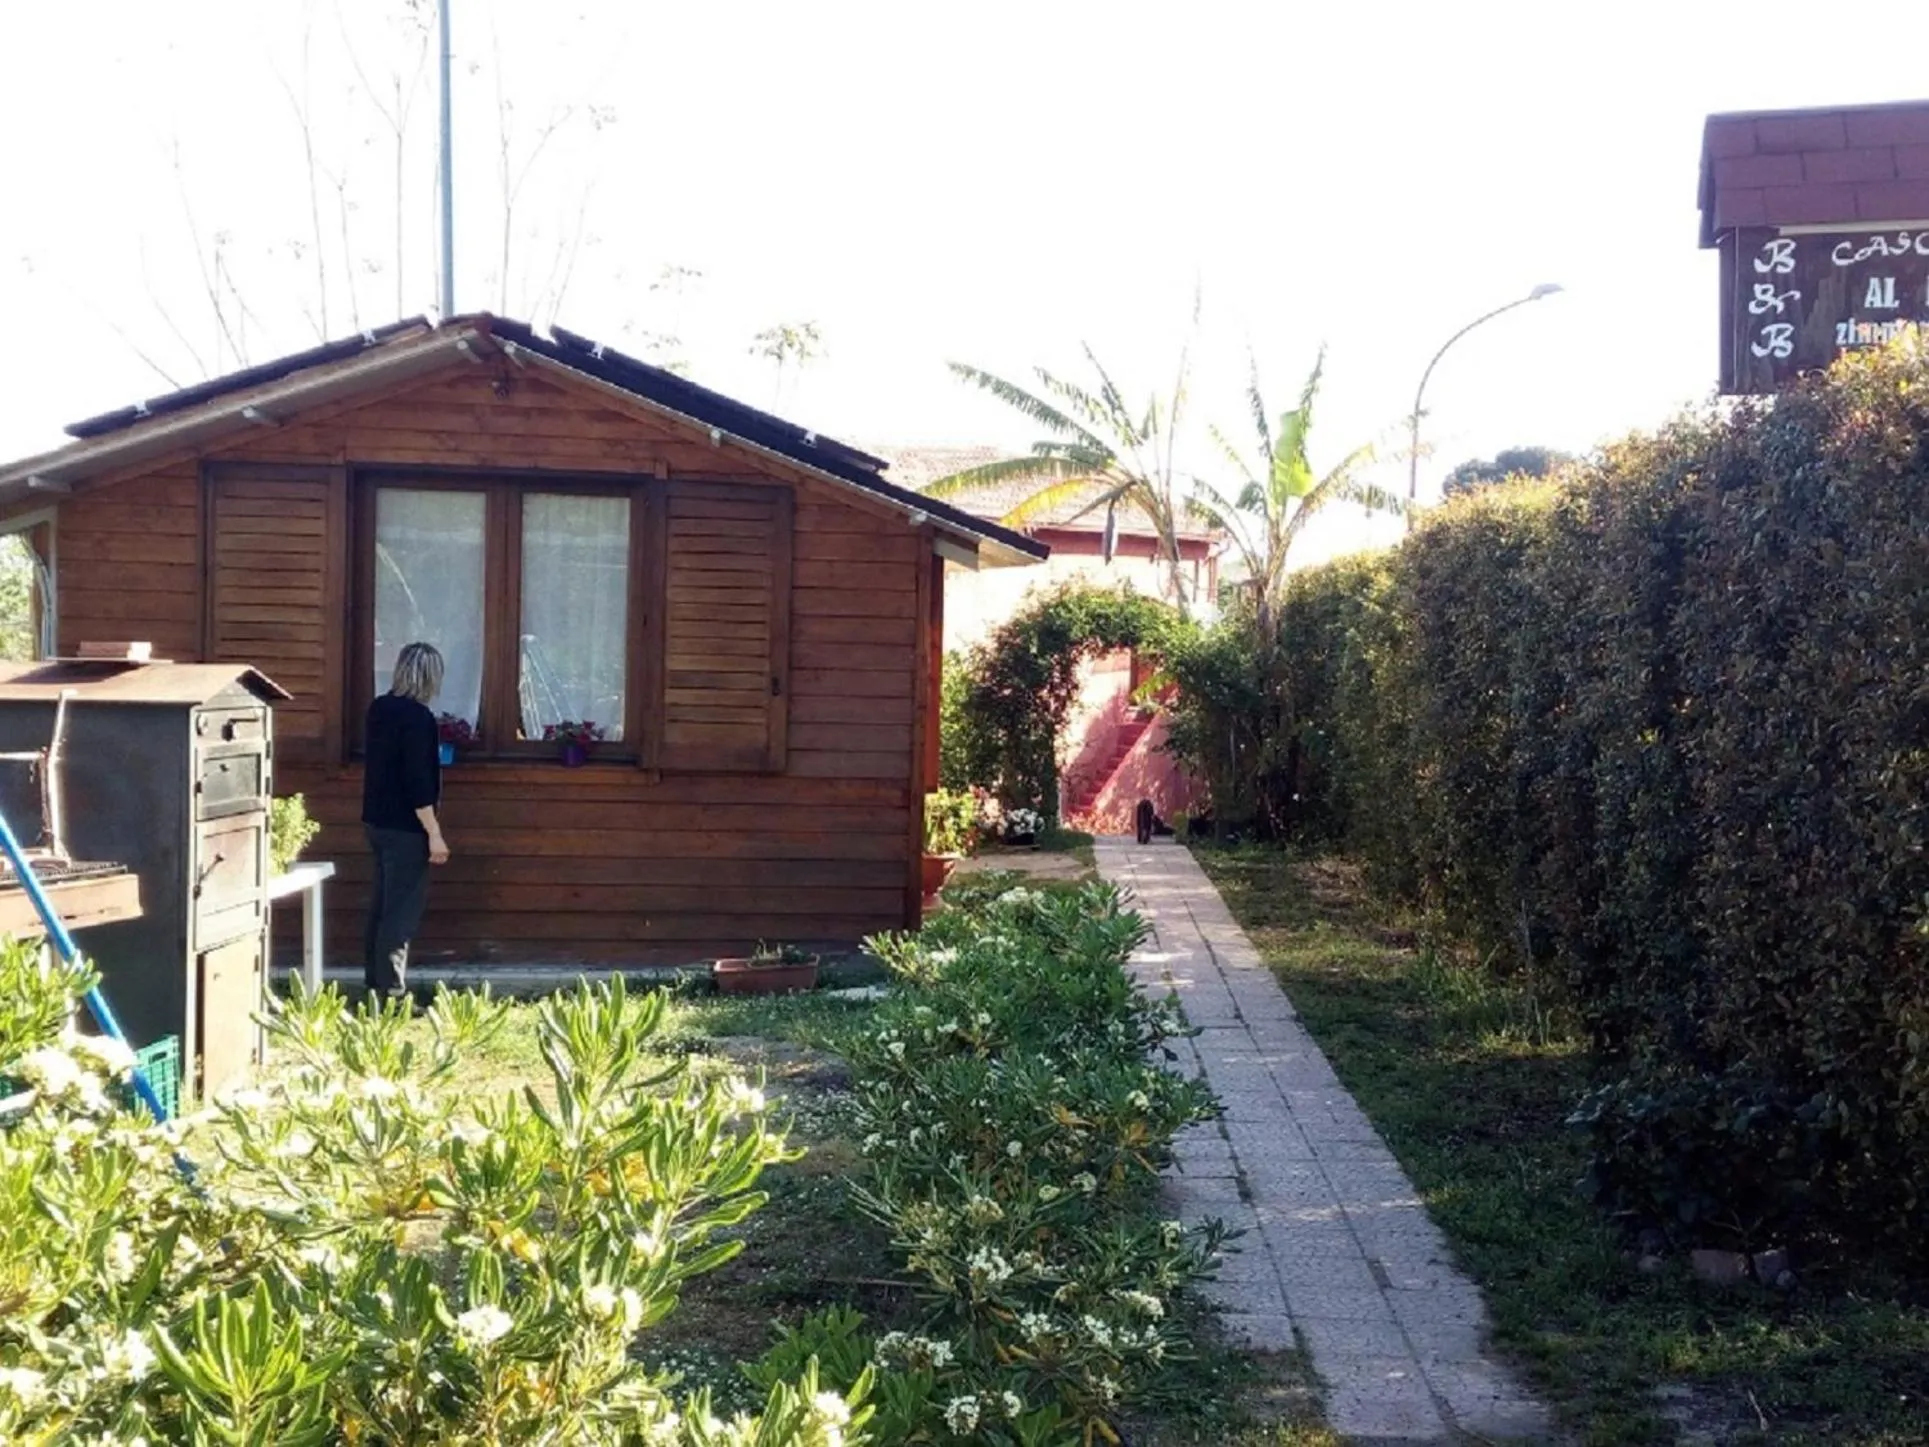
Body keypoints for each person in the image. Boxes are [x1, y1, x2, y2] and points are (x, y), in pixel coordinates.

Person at [362, 641, 452, 998]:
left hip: (376, 822)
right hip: (406, 828)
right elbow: (417, 782)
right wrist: (434, 833)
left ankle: (375, 984)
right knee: (401, 912)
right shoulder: (419, 719)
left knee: (382, 907)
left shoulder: (379, 709)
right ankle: (392, 993)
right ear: (430, 678)